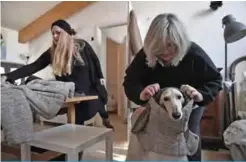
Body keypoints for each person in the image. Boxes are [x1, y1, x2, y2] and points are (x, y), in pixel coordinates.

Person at [123, 13, 222, 161]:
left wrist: (201, 95)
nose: (165, 52)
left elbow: (215, 80)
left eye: (170, 45)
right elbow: (130, 81)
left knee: (189, 140)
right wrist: (140, 94)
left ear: (180, 42)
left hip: (190, 107)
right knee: (155, 142)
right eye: (159, 47)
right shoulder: (145, 54)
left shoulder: (194, 53)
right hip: (157, 108)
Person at [2, 19, 114, 129]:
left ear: (66, 33)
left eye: (58, 33)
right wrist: (8, 76)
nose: (55, 36)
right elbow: (34, 66)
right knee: (31, 80)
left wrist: (100, 76)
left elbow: (95, 60)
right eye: (53, 33)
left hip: (88, 91)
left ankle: (106, 119)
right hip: (69, 91)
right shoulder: (51, 53)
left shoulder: (82, 45)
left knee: (100, 105)